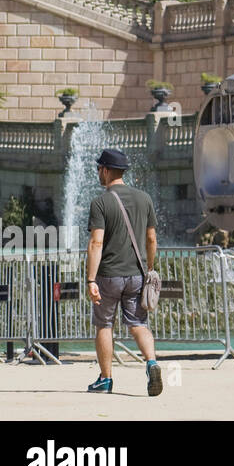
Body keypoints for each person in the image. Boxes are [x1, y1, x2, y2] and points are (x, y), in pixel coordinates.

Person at [85, 148, 162, 396]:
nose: (98, 172)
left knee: (104, 325)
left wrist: (90, 279)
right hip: (137, 274)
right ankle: (152, 363)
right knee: (138, 323)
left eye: (99, 169)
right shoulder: (144, 198)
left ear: (106, 171)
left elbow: (96, 243)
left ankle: (105, 379)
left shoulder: (100, 202)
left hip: (108, 274)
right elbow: (151, 238)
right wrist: (149, 267)